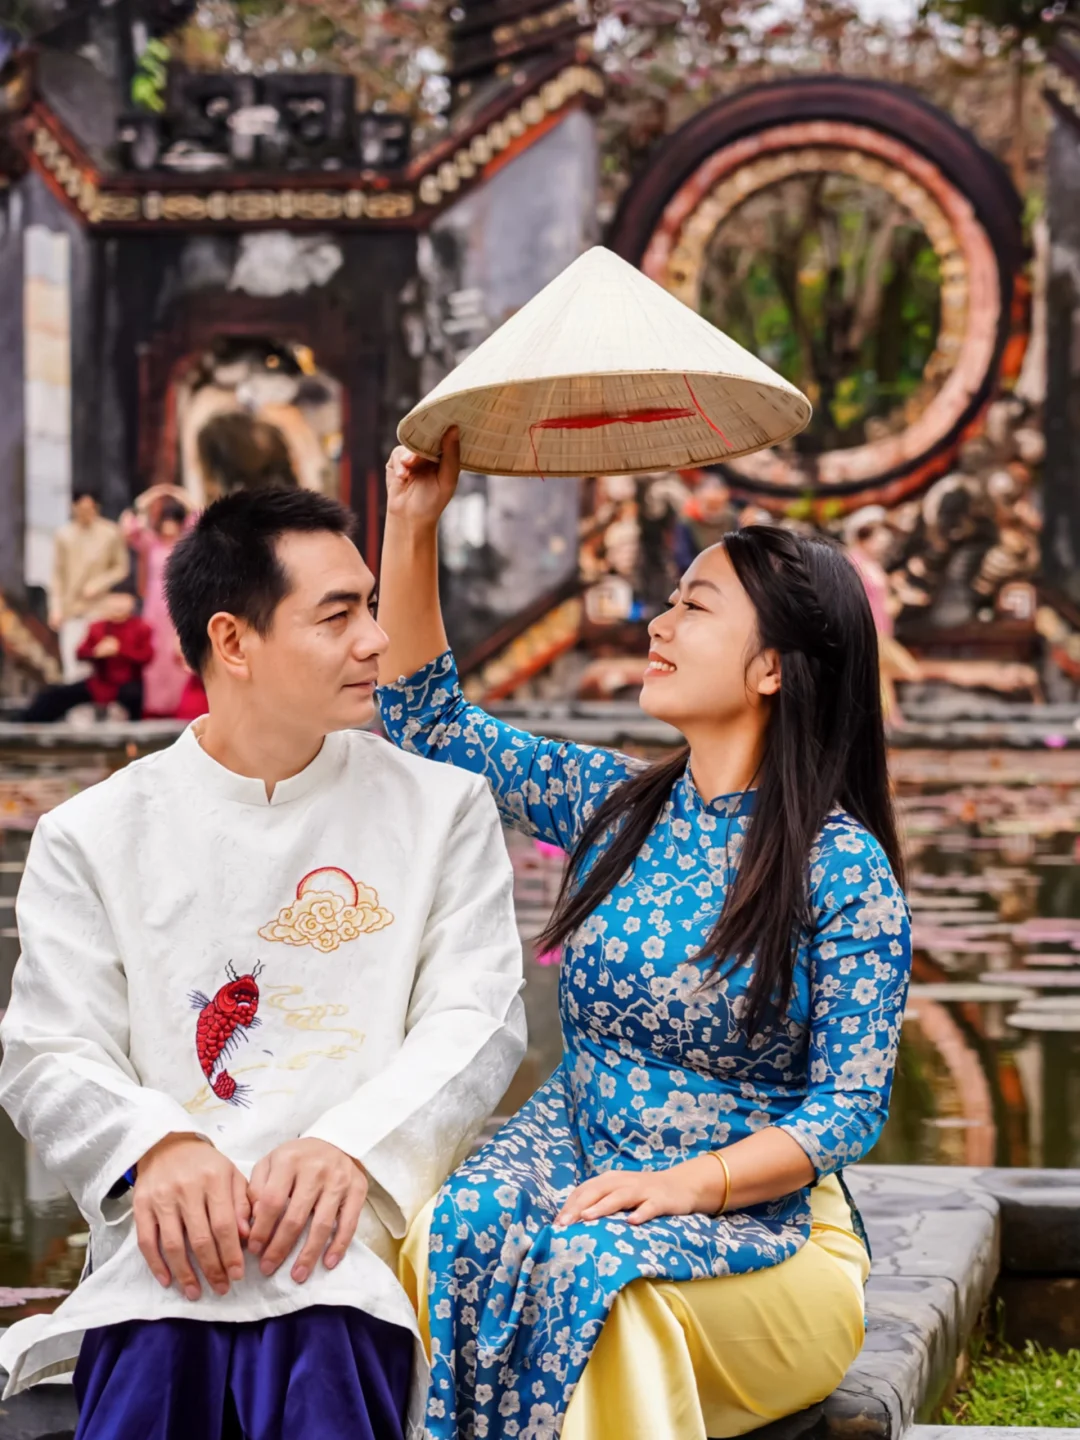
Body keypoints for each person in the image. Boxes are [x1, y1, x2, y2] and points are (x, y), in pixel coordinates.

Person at [378, 431, 912, 1440]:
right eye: (670, 601)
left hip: (764, 1223)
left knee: (597, 1276)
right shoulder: (615, 808)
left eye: (693, 607)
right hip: (580, 1146)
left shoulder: (842, 871)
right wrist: (412, 523)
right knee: (457, 1228)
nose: (657, 623)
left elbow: (848, 1110)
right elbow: (430, 726)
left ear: (771, 668)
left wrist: (684, 1187)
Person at [0, 487, 526, 1440]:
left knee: (326, 1338)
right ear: (233, 641)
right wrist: (156, 1148)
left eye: (370, 606)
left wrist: (350, 1148)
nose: (375, 639)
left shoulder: (443, 809)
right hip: (167, 1239)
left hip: (351, 1233)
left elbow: (479, 1019)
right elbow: (47, 1048)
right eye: (338, 615)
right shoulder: (93, 834)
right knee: (163, 1343)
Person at [20, 588, 153, 723]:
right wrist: (96, 652)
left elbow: (147, 656)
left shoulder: (141, 627)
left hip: (129, 685)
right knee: (53, 696)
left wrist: (120, 650)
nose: (118, 604)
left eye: (123, 599)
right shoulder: (97, 627)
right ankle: (26, 723)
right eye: (114, 598)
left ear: (132, 602)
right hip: (98, 684)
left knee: (135, 697)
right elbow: (80, 653)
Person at [122, 486, 197, 718]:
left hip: (179, 600)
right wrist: (153, 495)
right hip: (155, 603)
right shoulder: (150, 543)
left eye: (174, 520)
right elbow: (129, 527)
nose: (169, 526)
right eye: (166, 520)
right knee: (155, 655)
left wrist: (177, 494)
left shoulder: (187, 543)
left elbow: (199, 515)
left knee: (178, 653)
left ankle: (179, 705)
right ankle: (154, 707)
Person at [49, 491, 130, 682]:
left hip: (99, 608)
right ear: (74, 508)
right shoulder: (64, 535)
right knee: (72, 663)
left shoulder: (109, 533)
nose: (86, 513)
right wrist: (55, 608)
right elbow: (57, 575)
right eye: (81, 508)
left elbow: (121, 567)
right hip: (71, 608)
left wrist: (99, 584)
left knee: (98, 663)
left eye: (90, 508)